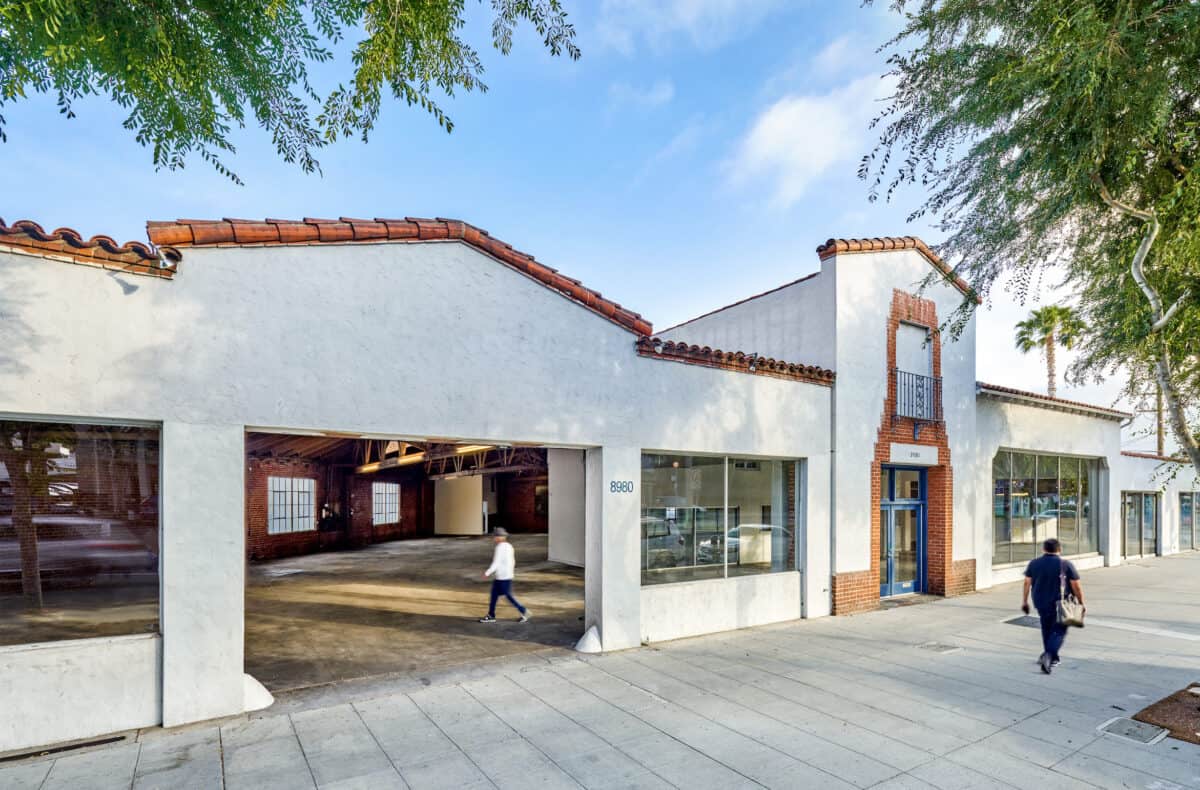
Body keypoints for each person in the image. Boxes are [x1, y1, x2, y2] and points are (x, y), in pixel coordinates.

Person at [1021, 537, 1085, 674]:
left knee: (1046, 628)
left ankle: (1051, 657)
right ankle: (1049, 655)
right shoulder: (1066, 564)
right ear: (1059, 549)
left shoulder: (1034, 563)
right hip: (1060, 603)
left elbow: (1027, 583)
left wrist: (1025, 601)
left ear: (1043, 549)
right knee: (1059, 630)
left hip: (1040, 602)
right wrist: (1081, 602)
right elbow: (1076, 586)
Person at [479, 528, 530, 623]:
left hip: (503, 577)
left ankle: (524, 611)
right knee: (494, 596)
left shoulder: (500, 547)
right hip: (504, 576)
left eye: (495, 536)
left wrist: (487, 573)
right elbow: (512, 561)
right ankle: (491, 615)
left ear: (499, 537)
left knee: (508, 596)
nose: (494, 538)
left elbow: (496, 563)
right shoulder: (509, 546)